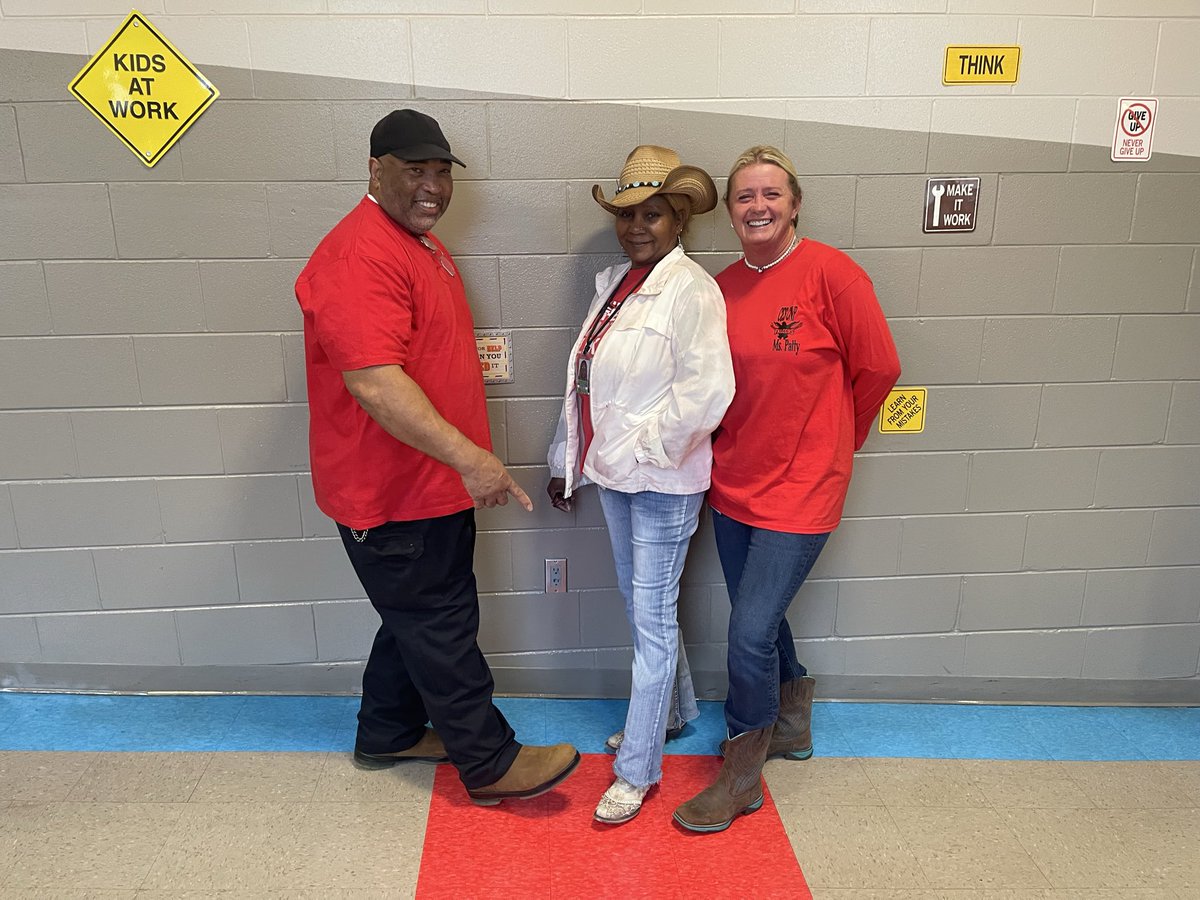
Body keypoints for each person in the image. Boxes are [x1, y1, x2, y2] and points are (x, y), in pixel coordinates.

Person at [295, 109, 579, 806]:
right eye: (413, 171)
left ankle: (387, 730)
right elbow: (373, 380)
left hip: (427, 487)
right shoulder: (360, 254)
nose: (432, 187)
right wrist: (472, 459)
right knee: (441, 623)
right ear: (374, 169)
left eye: (441, 172)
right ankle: (488, 762)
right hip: (392, 495)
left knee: (418, 616)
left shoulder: (416, 244)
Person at [674, 146, 900, 833]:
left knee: (746, 634)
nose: (758, 206)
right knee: (759, 617)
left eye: (771, 193)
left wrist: (837, 441)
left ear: (795, 202)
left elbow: (881, 368)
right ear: (731, 211)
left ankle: (742, 770)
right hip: (734, 483)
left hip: (802, 490)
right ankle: (793, 721)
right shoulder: (721, 287)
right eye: (744, 196)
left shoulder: (833, 274)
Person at [547, 145, 734, 824]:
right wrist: (568, 458)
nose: (636, 227)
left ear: (678, 219)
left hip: (661, 483)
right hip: (613, 476)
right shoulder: (616, 284)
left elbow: (707, 393)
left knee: (649, 623)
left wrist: (645, 450)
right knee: (640, 604)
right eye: (627, 215)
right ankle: (674, 714)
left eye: (651, 214)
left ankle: (638, 771)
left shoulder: (692, 290)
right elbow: (587, 384)